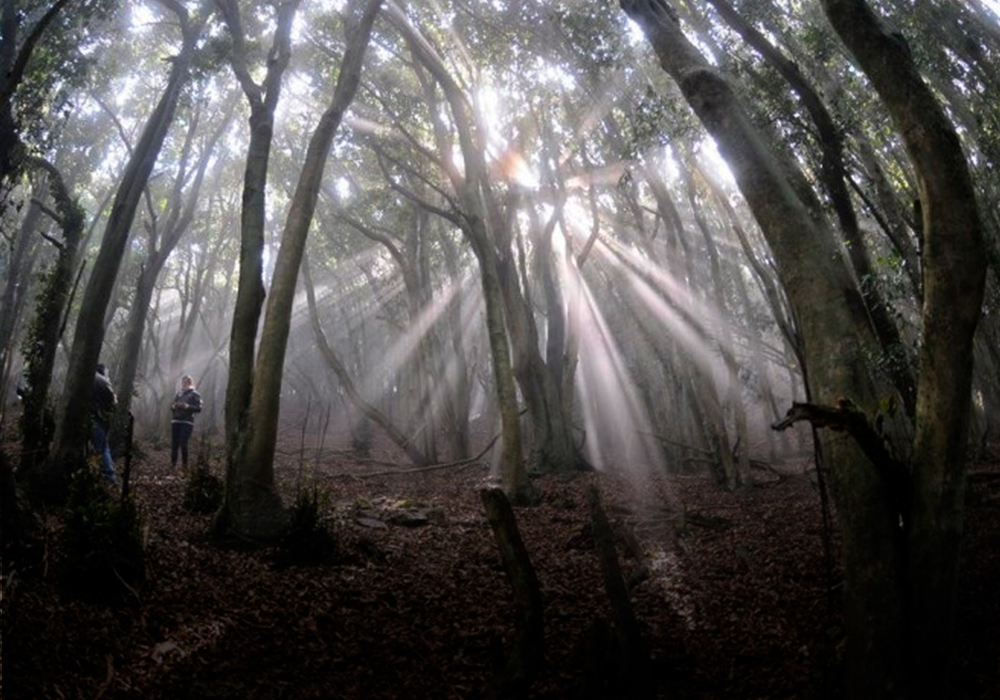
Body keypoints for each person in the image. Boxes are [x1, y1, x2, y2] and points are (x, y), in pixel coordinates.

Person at [92, 362, 118, 484]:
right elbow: (113, 401)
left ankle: (108, 475)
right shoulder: (103, 381)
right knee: (103, 448)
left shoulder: (92, 378)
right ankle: (109, 475)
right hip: (99, 418)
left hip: (94, 417)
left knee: (101, 448)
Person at [170, 374, 202, 470]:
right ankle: (173, 465)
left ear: (190, 382)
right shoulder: (178, 394)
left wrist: (187, 406)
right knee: (174, 444)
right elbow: (172, 406)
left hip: (187, 422)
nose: (184, 383)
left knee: (183, 443)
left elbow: (199, 408)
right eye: (183, 382)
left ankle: (185, 466)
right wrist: (174, 406)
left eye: (187, 382)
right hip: (175, 420)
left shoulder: (195, 394)